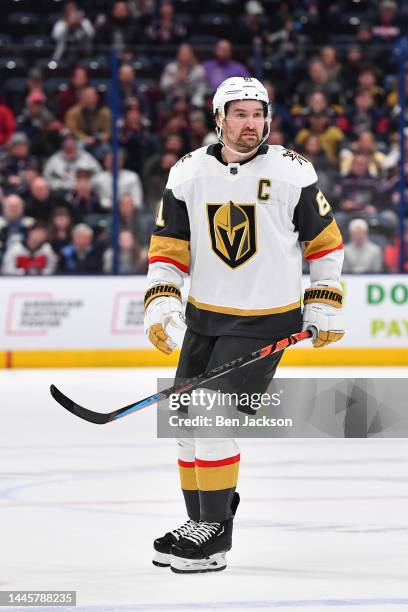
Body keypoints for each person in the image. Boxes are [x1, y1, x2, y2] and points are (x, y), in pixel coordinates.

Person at [143, 77, 344, 573]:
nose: (250, 123)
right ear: (219, 118)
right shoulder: (187, 173)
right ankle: (201, 525)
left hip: (265, 323)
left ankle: (214, 538)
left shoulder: (294, 172)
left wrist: (323, 299)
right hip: (204, 319)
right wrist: (160, 302)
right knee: (186, 426)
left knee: (212, 420)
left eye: (257, 113)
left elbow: (325, 244)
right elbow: (168, 249)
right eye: (239, 114)